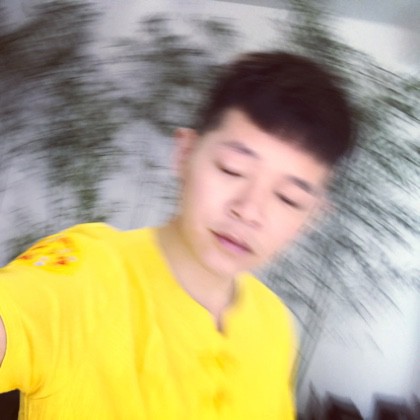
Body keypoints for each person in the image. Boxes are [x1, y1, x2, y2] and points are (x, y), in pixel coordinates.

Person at [0, 51, 355, 419]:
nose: (249, 211)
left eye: (288, 198)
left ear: (312, 217)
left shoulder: (274, 324)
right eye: (232, 169)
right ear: (185, 153)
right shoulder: (86, 274)